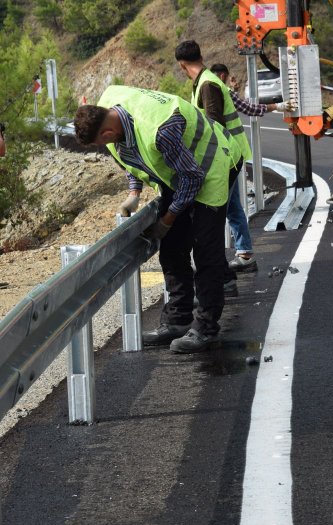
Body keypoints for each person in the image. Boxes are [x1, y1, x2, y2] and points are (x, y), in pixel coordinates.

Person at [73, 86, 243, 353]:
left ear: (107, 133)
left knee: (205, 249)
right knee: (173, 248)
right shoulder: (108, 103)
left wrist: (167, 219)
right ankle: (178, 319)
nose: (105, 147)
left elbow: (193, 178)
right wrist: (134, 192)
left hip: (214, 165)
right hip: (181, 171)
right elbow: (131, 154)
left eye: (101, 143)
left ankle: (207, 328)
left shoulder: (160, 130)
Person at [176, 43, 291, 273]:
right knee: (233, 207)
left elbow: (214, 127)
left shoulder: (207, 85)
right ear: (201, 55)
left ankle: (220, 271)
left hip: (224, 158)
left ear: (181, 65)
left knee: (216, 211)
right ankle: (245, 254)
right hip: (231, 154)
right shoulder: (205, 82)